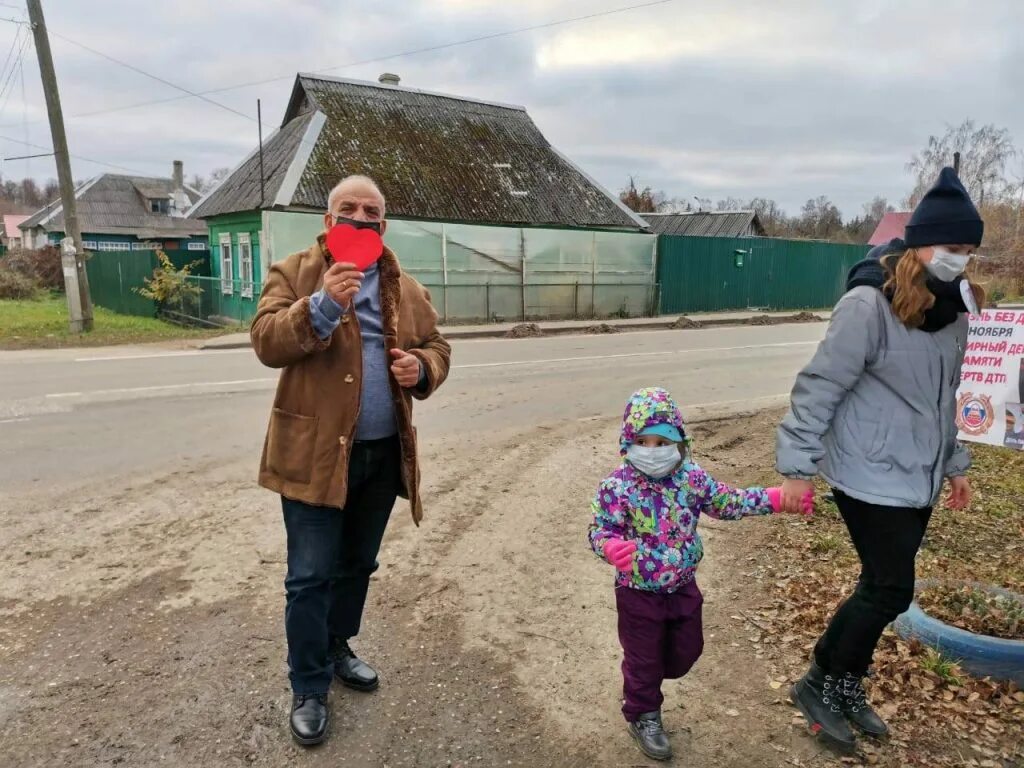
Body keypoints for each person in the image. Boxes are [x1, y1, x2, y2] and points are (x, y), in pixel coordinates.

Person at [776, 167, 984, 751]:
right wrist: (795, 465)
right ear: (917, 242)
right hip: (866, 471)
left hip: (918, 474)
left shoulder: (953, 315)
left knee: (882, 584)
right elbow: (819, 385)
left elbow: (945, 399)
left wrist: (956, 463)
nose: (959, 259)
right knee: (890, 589)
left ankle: (844, 684)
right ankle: (819, 681)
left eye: (968, 250)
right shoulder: (868, 303)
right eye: (951, 246)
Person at [250, 174, 451, 746]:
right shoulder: (296, 272)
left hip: (382, 457)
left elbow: (438, 345)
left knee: (357, 565)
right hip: (313, 456)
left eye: (371, 211)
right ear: (328, 221)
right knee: (309, 576)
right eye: (348, 209)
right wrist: (320, 306)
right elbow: (265, 340)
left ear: (383, 226)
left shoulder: (405, 287)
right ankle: (309, 685)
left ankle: (337, 648)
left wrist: (422, 368)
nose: (360, 218)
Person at [589, 387, 811, 761]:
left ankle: (650, 681)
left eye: (663, 441)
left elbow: (728, 502)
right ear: (629, 442)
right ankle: (644, 713)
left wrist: (774, 499)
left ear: (679, 440)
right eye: (643, 441)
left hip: (683, 587)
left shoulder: (691, 478)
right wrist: (609, 547)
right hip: (637, 592)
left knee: (685, 653)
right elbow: (599, 530)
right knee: (644, 660)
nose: (653, 449)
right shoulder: (617, 487)